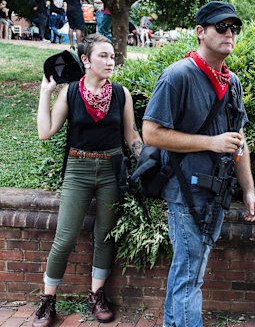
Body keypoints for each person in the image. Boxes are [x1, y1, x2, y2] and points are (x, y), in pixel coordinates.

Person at [141, 2, 255, 327]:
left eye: (234, 28)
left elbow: (239, 139)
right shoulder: (177, 76)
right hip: (185, 195)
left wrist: (249, 190)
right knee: (191, 278)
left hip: (216, 193)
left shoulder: (231, 81)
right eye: (221, 27)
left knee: (187, 273)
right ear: (200, 32)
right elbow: (150, 132)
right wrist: (210, 142)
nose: (229, 34)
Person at [34, 33, 144, 327]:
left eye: (112, 56)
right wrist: (46, 92)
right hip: (78, 170)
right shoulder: (70, 93)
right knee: (65, 237)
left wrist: (146, 160)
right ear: (85, 60)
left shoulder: (121, 94)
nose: (110, 61)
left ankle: (96, 295)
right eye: (103, 56)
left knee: (104, 236)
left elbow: (131, 136)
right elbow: (46, 132)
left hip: (111, 170)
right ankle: (47, 301)